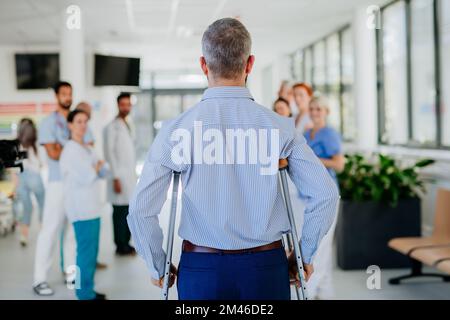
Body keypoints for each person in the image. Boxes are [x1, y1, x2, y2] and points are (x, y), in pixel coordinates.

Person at [127, 18, 339, 300]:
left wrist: (158, 267)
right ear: (250, 64)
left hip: (201, 268)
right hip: (266, 267)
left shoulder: (176, 131)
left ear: (203, 65)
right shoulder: (280, 127)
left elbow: (141, 210)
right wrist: (304, 254)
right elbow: (325, 194)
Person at [32, 81, 94, 296]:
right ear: (57, 96)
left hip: (76, 186)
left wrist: (66, 146)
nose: (68, 97)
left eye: (70, 93)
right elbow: (53, 154)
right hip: (57, 184)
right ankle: (39, 279)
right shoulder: (49, 123)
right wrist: (74, 145)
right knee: (50, 230)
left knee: (71, 233)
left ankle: (70, 273)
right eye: (64, 94)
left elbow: (89, 150)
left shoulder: (78, 122)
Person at [60, 109, 109, 300]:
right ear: (70, 125)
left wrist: (97, 168)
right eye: (78, 121)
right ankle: (82, 293)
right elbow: (87, 176)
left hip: (93, 208)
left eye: (85, 121)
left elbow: (103, 170)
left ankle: (88, 288)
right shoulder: (70, 151)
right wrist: (96, 168)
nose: (82, 125)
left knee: (91, 254)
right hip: (81, 210)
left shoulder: (87, 149)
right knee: (84, 255)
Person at [303, 96, 345, 299]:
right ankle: (325, 293)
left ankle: (310, 292)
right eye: (312, 108)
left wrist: (312, 160)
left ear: (326, 111)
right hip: (309, 196)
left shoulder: (330, 134)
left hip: (327, 197)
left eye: (319, 109)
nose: (315, 112)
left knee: (320, 247)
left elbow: (339, 164)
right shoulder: (306, 133)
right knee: (321, 249)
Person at [103, 92, 137, 256]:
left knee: (128, 211)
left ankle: (126, 243)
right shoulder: (112, 127)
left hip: (128, 176)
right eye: (123, 104)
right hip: (118, 177)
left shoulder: (127, 124)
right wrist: (115, 177)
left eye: (128, 104)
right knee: (119, 212)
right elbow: (109, 153)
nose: (126, 107)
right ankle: (120, 245)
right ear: (118, 105)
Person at [13, 118, 45, 247]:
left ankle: (24, 236)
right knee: (42, 204)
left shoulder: (16, 144)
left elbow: (13, 168)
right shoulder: (36, 144)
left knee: (26, 208)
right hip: (35, 177)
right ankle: (43, 233)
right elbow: (42, 163)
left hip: (21, 177)